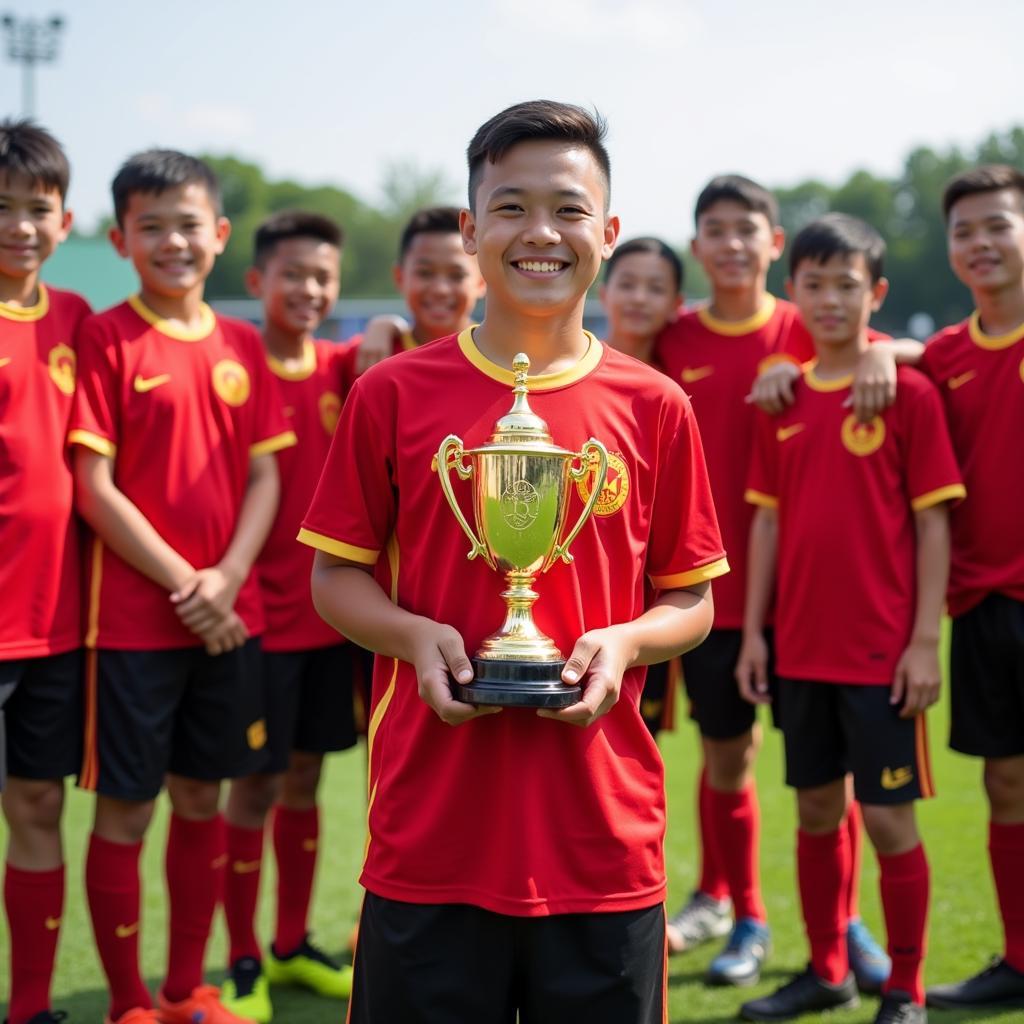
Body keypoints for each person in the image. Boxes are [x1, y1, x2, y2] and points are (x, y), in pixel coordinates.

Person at [299, 99, 727, 1023]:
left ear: (608, 233)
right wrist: (415, 636)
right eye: (511, 207)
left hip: (601, 841)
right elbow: (335, 575)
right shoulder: (392, 393)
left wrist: (624, 644)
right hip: (431, 831)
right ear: (470, 229)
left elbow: (689, 599)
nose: (542, 232)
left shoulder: (655, 406)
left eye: (570, 209)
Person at [69, 150, 295, 1024]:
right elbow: (94, 485)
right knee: (127, 809)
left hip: (232, 621)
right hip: (133, 626)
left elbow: (266, 478)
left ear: (220, 234)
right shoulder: (106, 336)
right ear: (122, 239)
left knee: (205, 796)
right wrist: (186, 587)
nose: (173, 242)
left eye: (188, 224)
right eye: (151, 226)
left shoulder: (243, 344)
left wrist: (228, 579)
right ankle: (129, 1002)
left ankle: (186, 989)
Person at [656, 175, 888, 991]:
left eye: (745, 229)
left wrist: (886, 350)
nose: (730, 244)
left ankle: (845, 920)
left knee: (836, 771)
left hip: (813, 602)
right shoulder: (672, 340)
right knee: (729, 758)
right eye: (713, 230)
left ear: (775, 244)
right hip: (708, 598)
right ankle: (743, 911)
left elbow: (899, 352)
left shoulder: (810, 320)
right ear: (697, 245)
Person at [736, 213, 964, 1024]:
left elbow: (935, 522)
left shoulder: (908, 393)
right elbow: (764, 522)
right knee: (814, 811)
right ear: (791, 291)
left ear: (877, 293)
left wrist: (925, 641)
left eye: (847, 285)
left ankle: (904, 987)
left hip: (881, 656)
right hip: (799, 650)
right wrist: (756, 633)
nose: (830, 300)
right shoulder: (783, 397)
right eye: (814, 284)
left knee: (891, 819)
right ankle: (828, 969)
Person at [218, 210, 354, 1022]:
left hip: (331, 620)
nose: (309, 289)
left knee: (306, 779)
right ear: (257, 282)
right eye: (293, 274)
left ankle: (293, 942)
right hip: (253, 621)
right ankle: (240, 957)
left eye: (322, 277)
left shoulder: (349, 366)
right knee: (253, 788)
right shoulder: (231, 364)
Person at [919, 165, 1024, 1012]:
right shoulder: (946, 357)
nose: (981, 244)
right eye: (965, 232)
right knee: (1006, 786)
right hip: (986, 607)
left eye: (998, 225)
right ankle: (1020, 957)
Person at [0, 118, 90, 1024]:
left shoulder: (76, 321)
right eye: (2, 209)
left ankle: (29, 1008)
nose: (20, 225)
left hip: (57, 624)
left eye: (37, 209)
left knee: (36, 805)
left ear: (65, 222)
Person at [599, 236, 685, 737]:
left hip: (691, 589)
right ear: (604, 292)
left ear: (677, 304)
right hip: (615, 597)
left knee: (732, 744)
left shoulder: (684, 372)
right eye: (627, 284)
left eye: (655, 288)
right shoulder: (566, 369)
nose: (638, 298)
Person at [347, 205, 485, 377]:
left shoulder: (502, 359)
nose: (440, 290)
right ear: (400, 277)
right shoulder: (367, 357)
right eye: (425, 273)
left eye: (456, 275)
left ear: (482, 282)